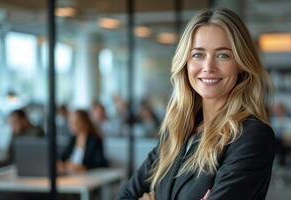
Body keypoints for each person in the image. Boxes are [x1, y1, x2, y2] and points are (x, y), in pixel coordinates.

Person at [117, 8, 275, 200]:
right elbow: (125, 195)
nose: (208, 67)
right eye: (198, 55)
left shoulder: (251, 136)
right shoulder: (176, 131)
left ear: (241, 63)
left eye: (223, 55)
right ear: (185, 62)